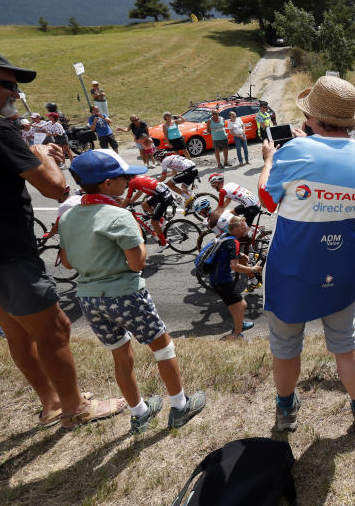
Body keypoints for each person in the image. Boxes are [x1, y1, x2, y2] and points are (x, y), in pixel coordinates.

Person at [0, 47, 125, 429]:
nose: (14, 95)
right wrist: (40, 154)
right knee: (54, 329)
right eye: (6, 86)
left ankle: (50, 402)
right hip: (2, 252)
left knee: (17, 329)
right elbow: (56, 189)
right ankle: (73, 408)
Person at [257, 74, 355, 437]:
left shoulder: (294, 151)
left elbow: (267, 201)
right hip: (340, 267)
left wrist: (269, 160)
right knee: (345, 343)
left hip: (291, 270)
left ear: (311, 118)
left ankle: (286, 411)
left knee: (285, 346)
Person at [59, 149, 206, 432]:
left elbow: (66, 262)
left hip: (89, 298)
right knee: (163, 347)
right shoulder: (118, 216)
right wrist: (139, 238)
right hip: (125, 293)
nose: (128, 180)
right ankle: (179, 406)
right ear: (107, 183)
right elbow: (137, 263)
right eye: (123, 176)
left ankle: (139, 413)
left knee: (120, 355)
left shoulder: (68, 217)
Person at [206, 216, 261, 340]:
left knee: (233, 304)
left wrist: (240, 254)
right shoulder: (234, 242)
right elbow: (235, 267)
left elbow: (224, 250)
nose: (246, 227)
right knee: (241, 305)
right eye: (243, 226)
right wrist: (253, 270)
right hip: (221, 281)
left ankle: (239, 323)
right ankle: (237, 334)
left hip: (217, 279)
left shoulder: (225, 236)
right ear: (236, 229)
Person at [123, 174, 174, 250]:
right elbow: (140, 191)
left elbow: (127, 198)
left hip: (162, 198)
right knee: (144, 204)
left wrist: (121, 208)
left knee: (154, 222)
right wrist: (131, 202)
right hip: (164, 193)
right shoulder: (140, 177)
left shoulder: (131, 182)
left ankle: (163, 243)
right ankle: (162, 220)